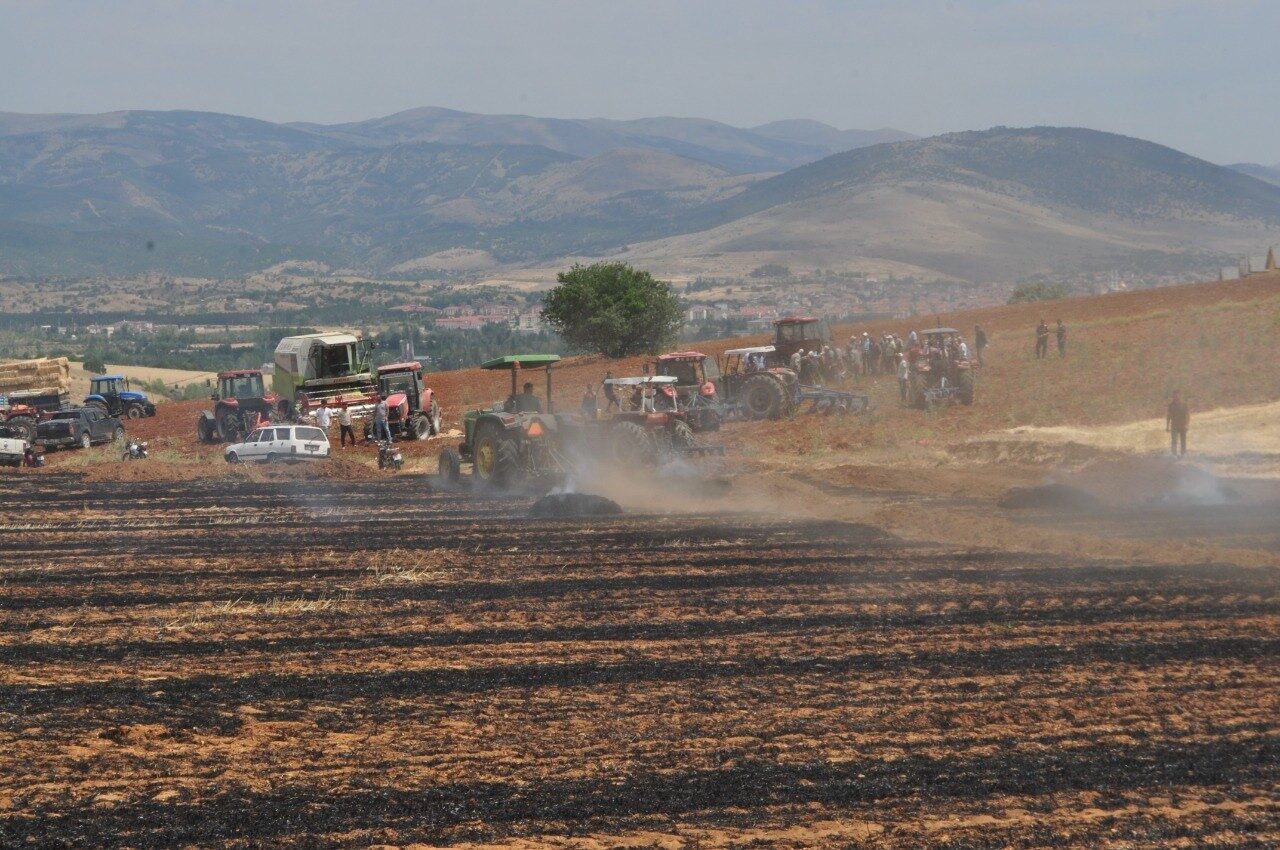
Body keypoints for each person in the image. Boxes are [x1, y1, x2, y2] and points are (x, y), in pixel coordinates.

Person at [1167, 391, 1190, 457]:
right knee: (1174, 440)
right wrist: (1167, 426)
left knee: (1183, 441)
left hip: (1183, 425)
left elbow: (1187, 415)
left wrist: (1187, 425)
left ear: (1180, 396)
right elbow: (1168, 416)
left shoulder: (1184, 404)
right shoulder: (1171, 405)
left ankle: (1183, 454)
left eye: (1177, 395)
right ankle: (1174, 454)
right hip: (1174, 425)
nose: (1175, 397)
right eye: (1174, 395)